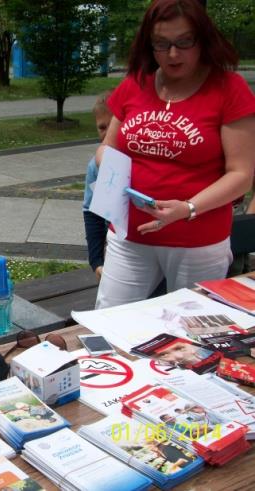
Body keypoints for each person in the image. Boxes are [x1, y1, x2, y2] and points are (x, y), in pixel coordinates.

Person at [95, 0, 255, 309]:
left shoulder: (228, 88)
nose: (172, 54)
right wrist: (108, 164)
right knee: (108, 319)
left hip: (196, 239)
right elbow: (106, 148)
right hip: (130, 235)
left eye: (184, 42)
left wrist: (189, 208)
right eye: (161, 43)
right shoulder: (135, 83)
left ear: (203, 39)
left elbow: (241, 175)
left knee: (189, 333)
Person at [82, 91, 112, 281]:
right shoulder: (96, 166)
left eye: (114, 125)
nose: (108, 133)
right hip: (114, 250)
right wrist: (96, 261)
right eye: (102, 127)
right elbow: (92, 211)